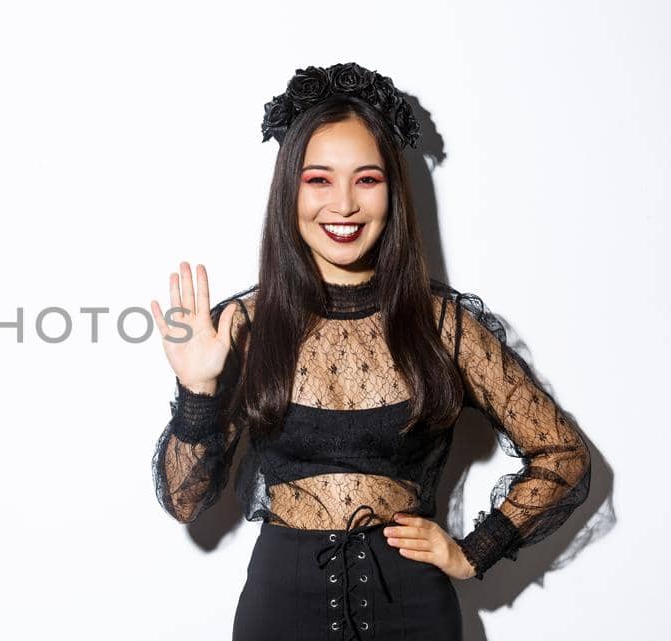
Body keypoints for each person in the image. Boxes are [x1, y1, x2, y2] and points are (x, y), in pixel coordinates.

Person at [147, 62, 592, 641]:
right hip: (281, 612)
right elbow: (185, 502)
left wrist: (476, 550)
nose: (344, 205)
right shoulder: (244, 326)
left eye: (367, 179)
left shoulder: (443, 325)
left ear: (392, 191)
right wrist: (199, 394)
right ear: (290, 191)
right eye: (319, 180)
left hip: (414, 611)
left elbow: (562, 454)